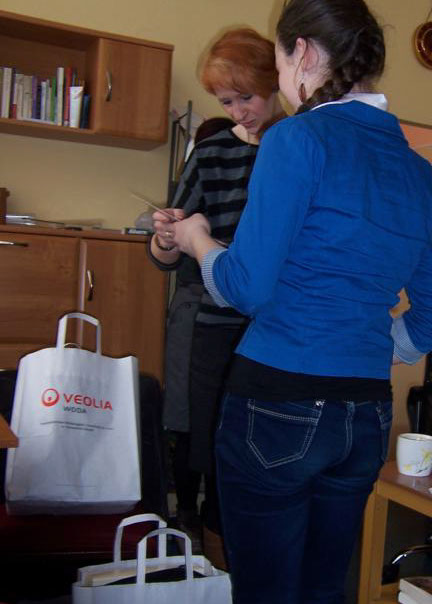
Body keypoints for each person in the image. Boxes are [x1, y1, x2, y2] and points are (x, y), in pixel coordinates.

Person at [154, 0, 432, 601]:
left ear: (304, 52)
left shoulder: (296, 139)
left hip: (278, 401)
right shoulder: (428, 179)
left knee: (266, 589)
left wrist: (197, 240)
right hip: (366, 413)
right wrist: (363, 344)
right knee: (323, 587)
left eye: (278, 61)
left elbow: (246, 287)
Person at [148, 28, 285, 569]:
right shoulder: (209, 152)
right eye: (227, 102)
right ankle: (218, 567)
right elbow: (168, 255)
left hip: (276, 327)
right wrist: (166, 237)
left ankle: (256, 563)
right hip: (216, 324)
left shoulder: (300, 145)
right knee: (214, 452)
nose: (238, 112)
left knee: (266, 453)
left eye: (246, 97)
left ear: (274, 82)